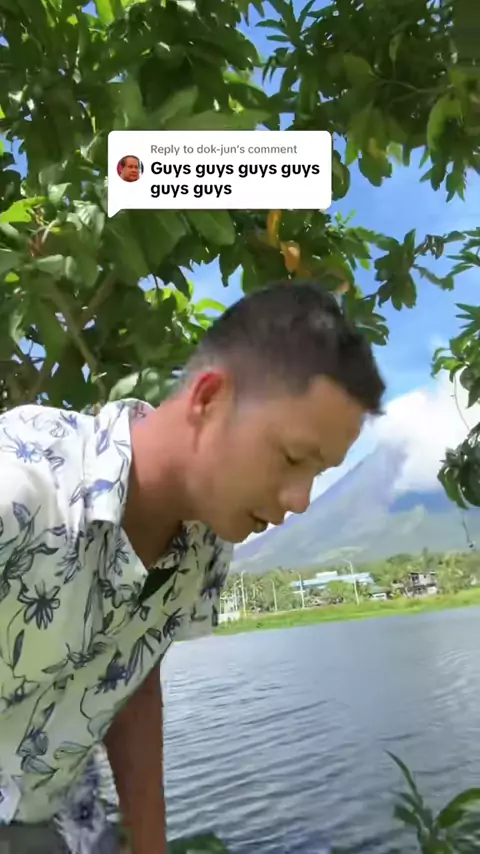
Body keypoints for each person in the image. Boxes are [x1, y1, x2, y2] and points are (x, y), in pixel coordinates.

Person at [0, 280, 385, 853]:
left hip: (55, 817)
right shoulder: (20, 489)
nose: (301, 500)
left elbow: (128, 680)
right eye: (291, 457)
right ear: (209, 399)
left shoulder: (206, 545)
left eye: (319, 473)